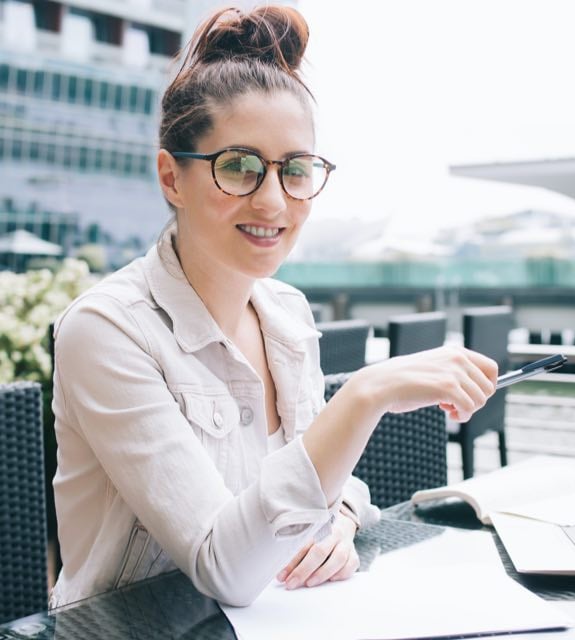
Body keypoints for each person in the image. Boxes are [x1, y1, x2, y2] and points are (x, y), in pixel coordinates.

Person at [50, 6, 498, 609]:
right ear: (172, 178)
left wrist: (337, 519)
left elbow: (323, 484)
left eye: (295, 170)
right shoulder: (106, 330)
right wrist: (366, 394)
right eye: (239, 167)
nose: (272, 201)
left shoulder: (286, 312)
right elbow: (224, 567)